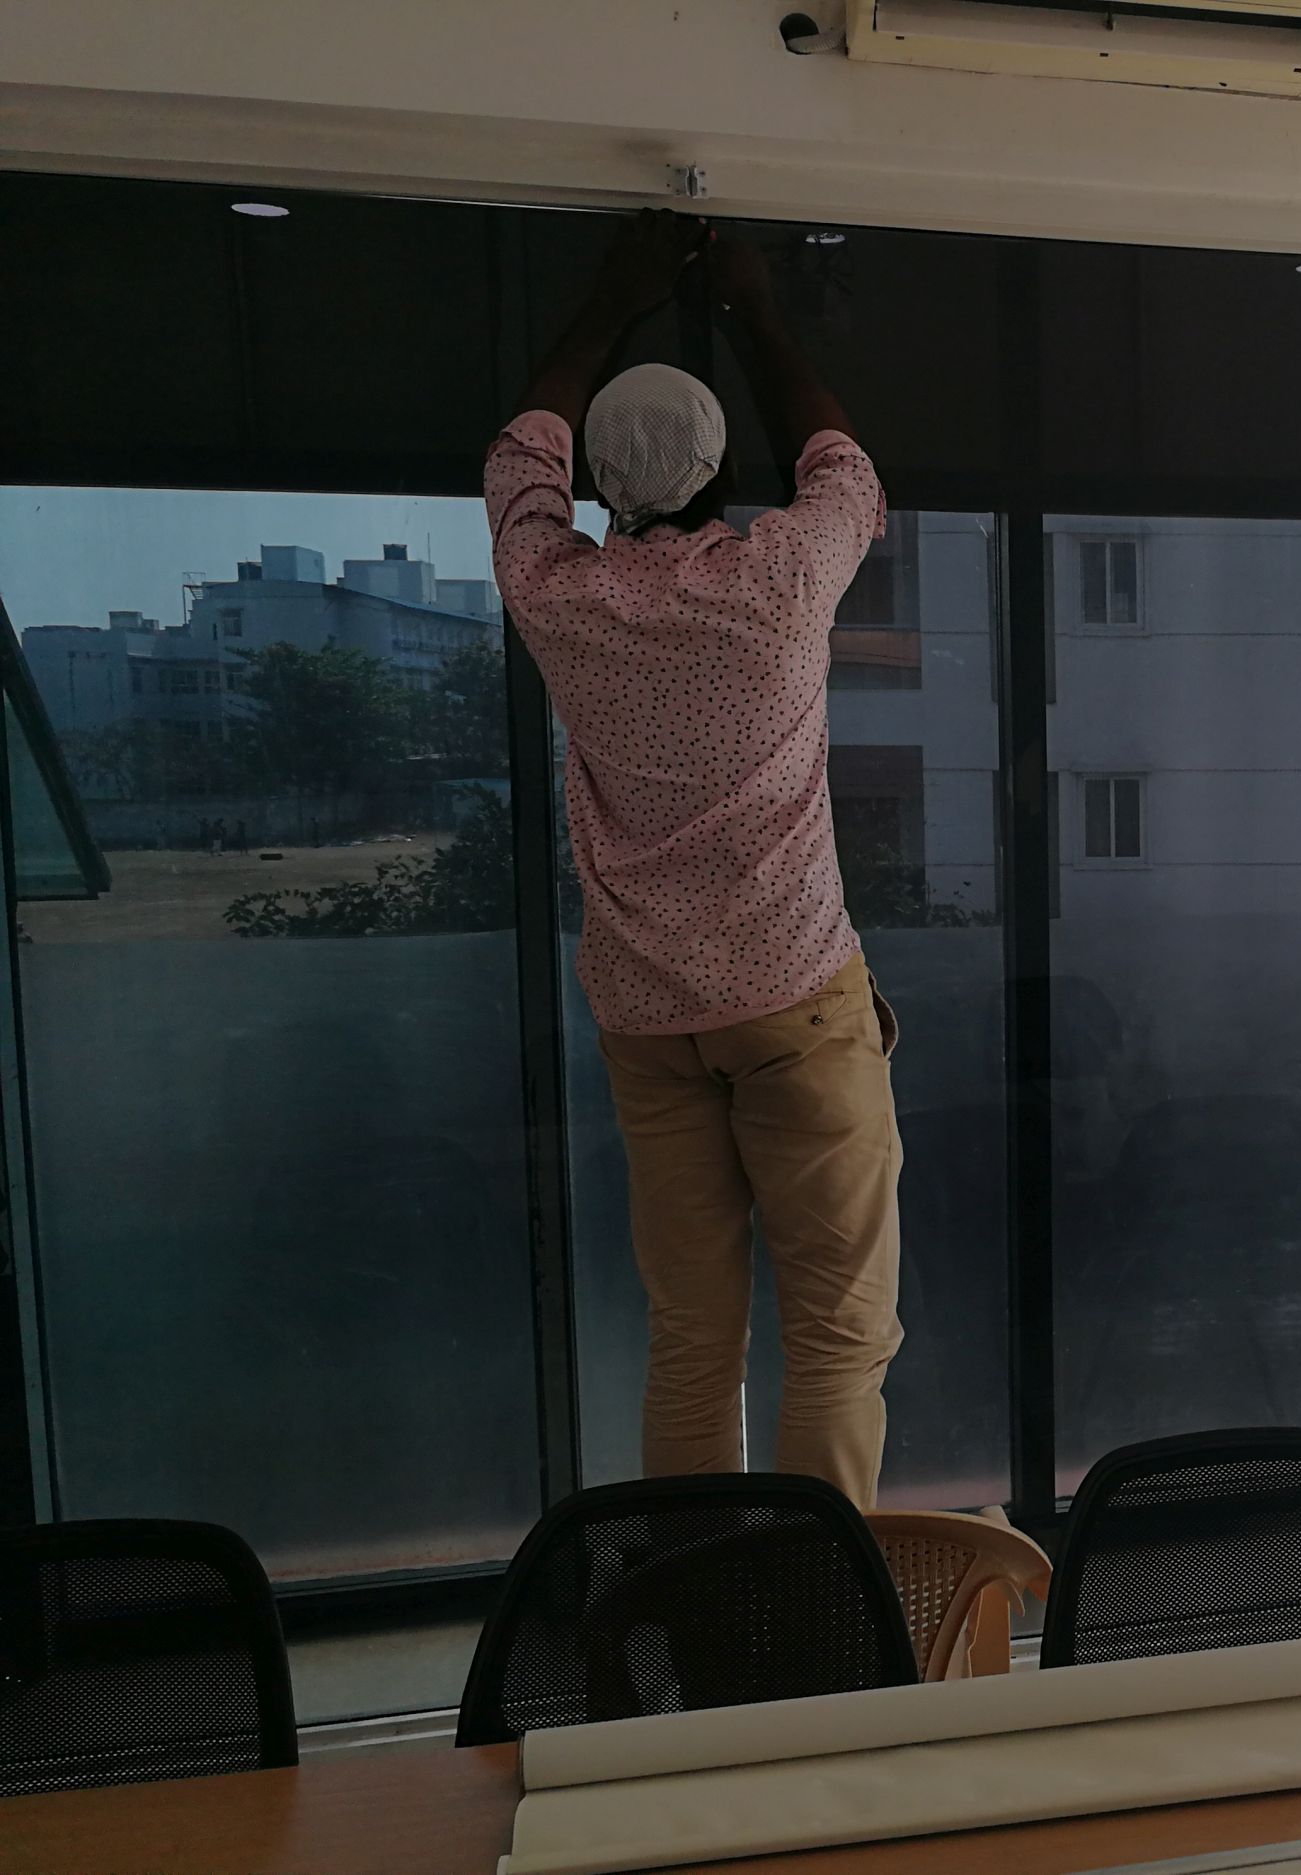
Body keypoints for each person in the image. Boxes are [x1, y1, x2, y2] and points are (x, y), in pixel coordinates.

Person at [483, 211, 903, 1508]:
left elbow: (520, 456)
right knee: (837, 1337)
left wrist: (609, 299)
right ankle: (820, 1602)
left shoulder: (559, 593)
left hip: (649, 1023)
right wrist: (754, 312)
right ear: (722, 468)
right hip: (794, 1004)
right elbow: (841, 465)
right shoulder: (780, 579)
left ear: (602, 486)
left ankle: (702, 1593)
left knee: (693, 1340)